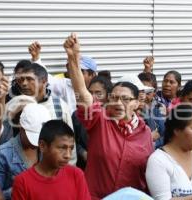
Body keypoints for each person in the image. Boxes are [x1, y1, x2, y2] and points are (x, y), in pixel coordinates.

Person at [63, 33, 153, 199]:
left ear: (136, 103)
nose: (118, 103)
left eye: (125, 99)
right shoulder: (99, 120)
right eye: (114, 98)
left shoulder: (145, 132)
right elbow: (83, 93)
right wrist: (74, 57)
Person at [0, 61, 77, 164]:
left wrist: (69, 170)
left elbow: (70, 143)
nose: (24, 84)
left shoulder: (60, 107)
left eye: (29, 79)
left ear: (44, 81)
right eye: (22, 80)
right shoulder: (14, 105)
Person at [12, 120, 91, 200]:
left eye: (71, 148)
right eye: (62, 148)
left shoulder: (76, 175)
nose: (68, 155)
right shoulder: (23, 182)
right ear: (42, 146)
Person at [0, 101, 52, 199]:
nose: (37, 143)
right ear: (21, 128)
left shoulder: (48, 151)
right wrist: (20, 188)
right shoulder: (1, 156)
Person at [28, 41, 97, 113]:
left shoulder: (101, 89)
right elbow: (46, 78)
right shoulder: (66, 84)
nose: (76, 74)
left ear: (92, 75)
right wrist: (36, 59)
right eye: (75, 70)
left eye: (81, 71)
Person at [74, 75, 113, 169]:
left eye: (98, 93)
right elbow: (72, 139)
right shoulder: (77, 115)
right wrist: (82, 152)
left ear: (108, 96)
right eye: (90, 92)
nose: (93, 97)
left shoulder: (114, 116)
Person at [138, 72, 166, 148]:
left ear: (154, 92)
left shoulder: (160, 107)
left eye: (148, 92)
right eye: (141, 91)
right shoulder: (134, 110)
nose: (144, 95)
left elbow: (163, 132)